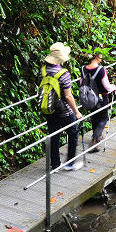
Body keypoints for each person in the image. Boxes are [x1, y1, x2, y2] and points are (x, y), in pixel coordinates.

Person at [43, 42, 83, 171]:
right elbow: (68, 96)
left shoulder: (43, 71)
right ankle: (70, 163)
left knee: (54, 135)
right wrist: (76, 112)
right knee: (73, 133)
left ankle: (55, 165)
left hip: (48, 108)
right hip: (64, 111)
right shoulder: (63, 73)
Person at [82, 52, 116, 153]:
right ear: (97, 57)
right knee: (103, 118)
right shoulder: (101, 70)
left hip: (89, 98)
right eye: (100, 56)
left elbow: (81, 83)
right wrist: (114, 88)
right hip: (101, 98)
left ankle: (98, 136)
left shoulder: (83, 68)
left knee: (94, 117)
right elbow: (106, 86)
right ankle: (95, 140)